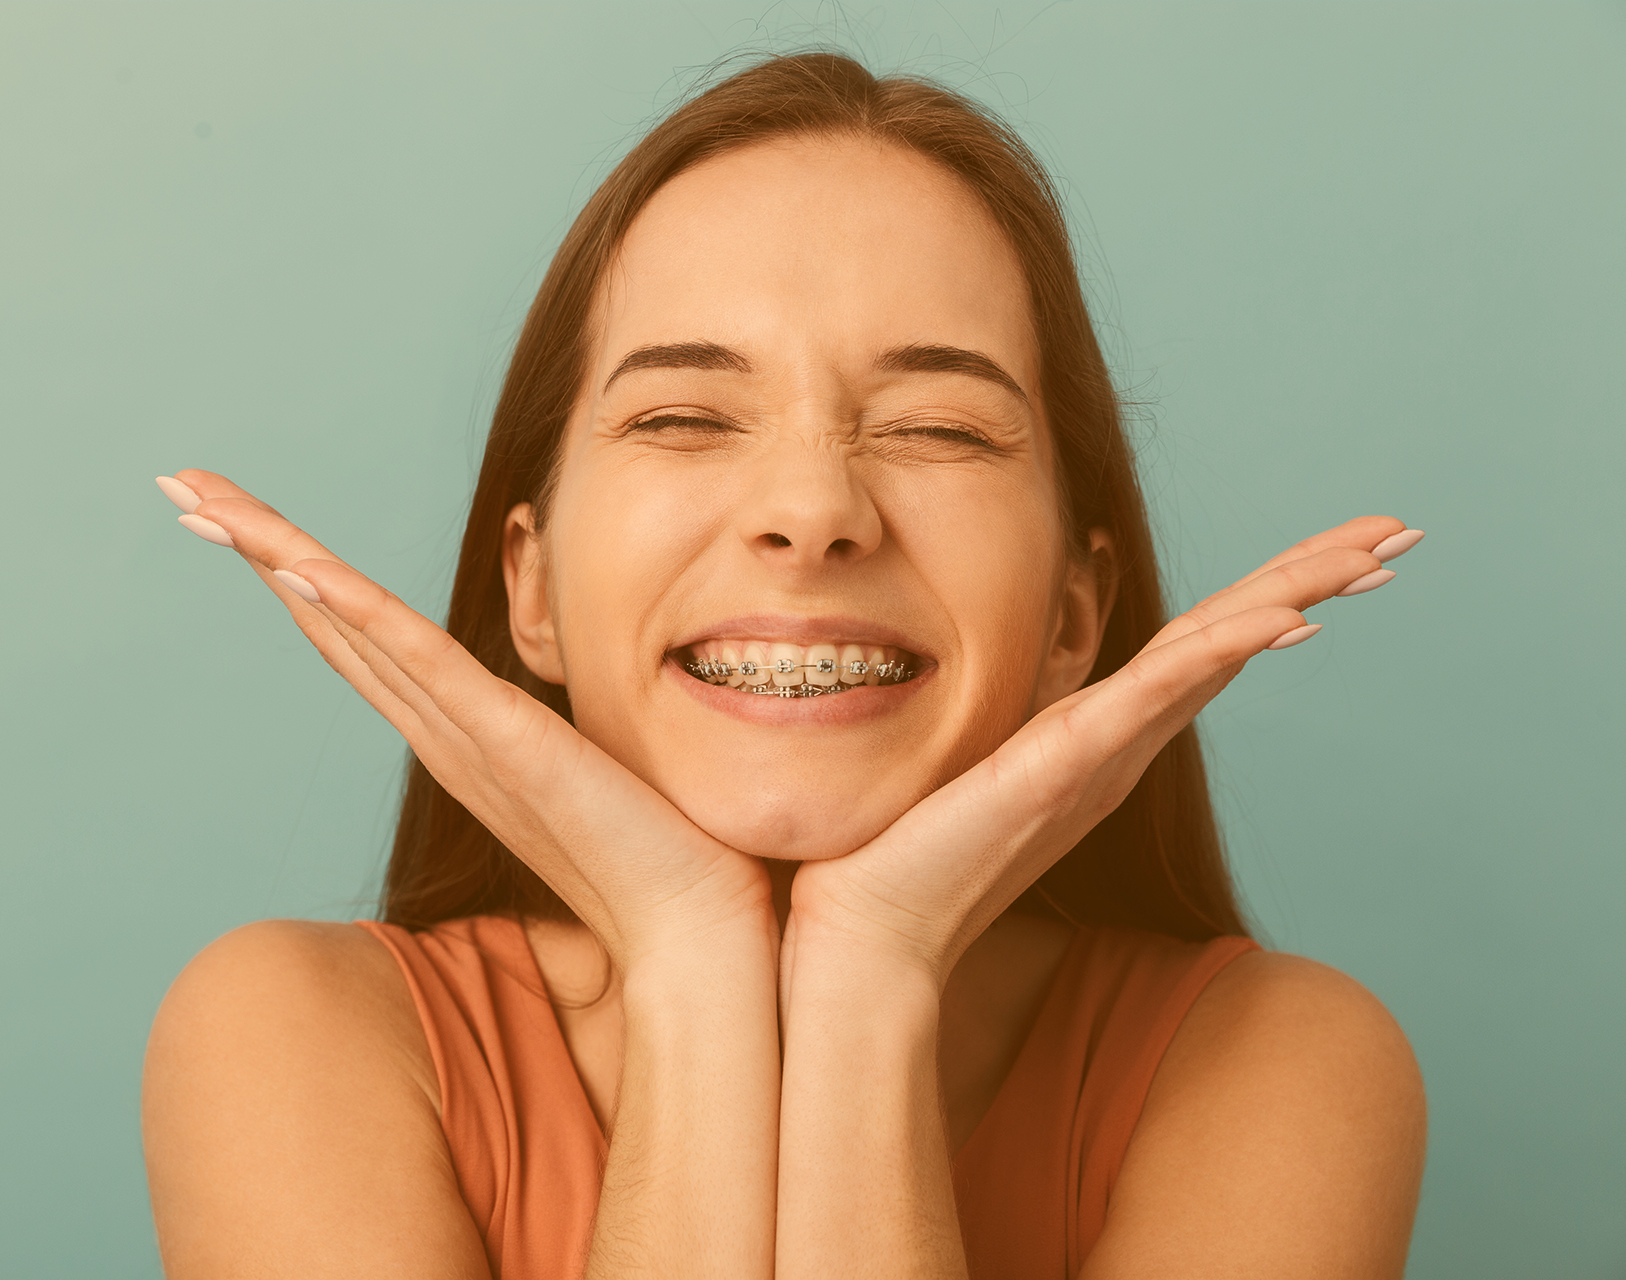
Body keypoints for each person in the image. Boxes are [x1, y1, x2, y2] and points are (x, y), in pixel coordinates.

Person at [139, 52, 1427, 1279]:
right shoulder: (294, 1036)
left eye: (937, 426)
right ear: (529, 588)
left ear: (1074, 619)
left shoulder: (1277, 1063)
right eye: (685, 417)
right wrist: (691, 957)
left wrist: (873, 969)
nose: (813, 510)